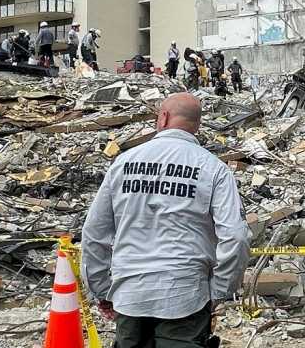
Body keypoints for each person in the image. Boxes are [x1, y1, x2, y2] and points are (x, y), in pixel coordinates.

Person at [82, 93, 249, 348]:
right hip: (185, 295)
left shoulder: (124, 163)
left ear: (163, 117)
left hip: (131, 292)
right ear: (197, 125)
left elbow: (94, 233)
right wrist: (220, 290)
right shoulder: (213, 169)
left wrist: (101, 290)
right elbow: (236, 236)